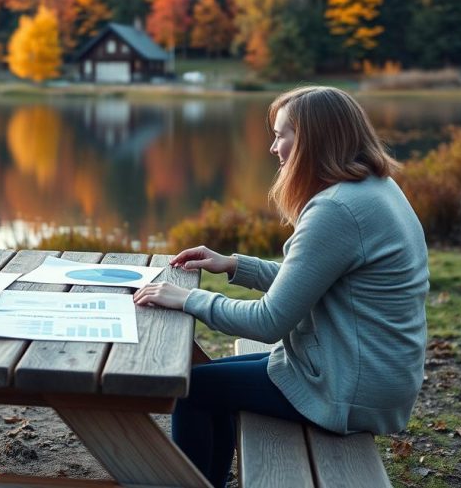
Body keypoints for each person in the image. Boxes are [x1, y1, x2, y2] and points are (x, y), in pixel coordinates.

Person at [133, 86, 428, 487]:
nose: (274, 148)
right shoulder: (374, 187)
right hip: (361, 371)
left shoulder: (337, 209)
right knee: (202, 381)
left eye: (281, 135)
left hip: (345, 388)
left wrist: (187, 298)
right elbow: (313, 280)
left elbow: (270, 321)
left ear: (311, 139)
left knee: (193, 391)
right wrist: (236, 265)